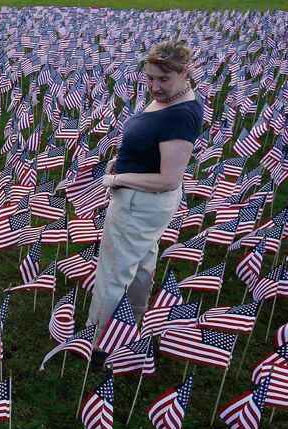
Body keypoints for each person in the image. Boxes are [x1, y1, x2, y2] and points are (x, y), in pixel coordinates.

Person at [88, 40, 204, 364]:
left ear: (185, 73)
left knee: (113, 273)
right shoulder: (172, 99)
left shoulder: (181, 115)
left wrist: (119, 179)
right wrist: (124, 162)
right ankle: (129, 327)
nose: (154, 86)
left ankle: (99, 343)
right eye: (150, 78)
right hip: (147, 201)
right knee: (140, 268)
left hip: (140, 203)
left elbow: (169, 178)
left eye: (163, 79)